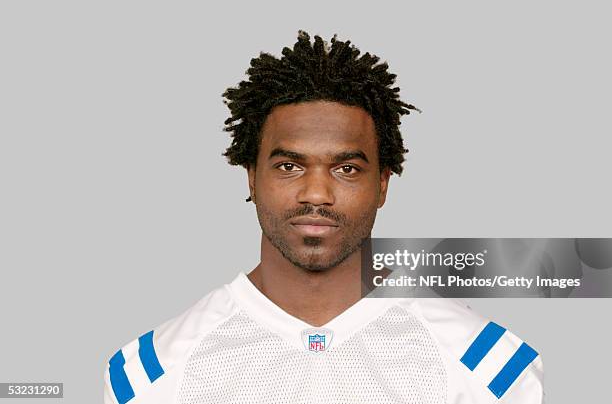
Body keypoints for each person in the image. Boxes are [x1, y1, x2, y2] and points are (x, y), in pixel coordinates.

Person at [103, 31, 544, 404]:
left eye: (346, 169)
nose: (316, 193)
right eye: (289, 166)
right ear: (252, 178)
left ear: (383, 184)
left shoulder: (491, 368)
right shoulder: (149, 374)